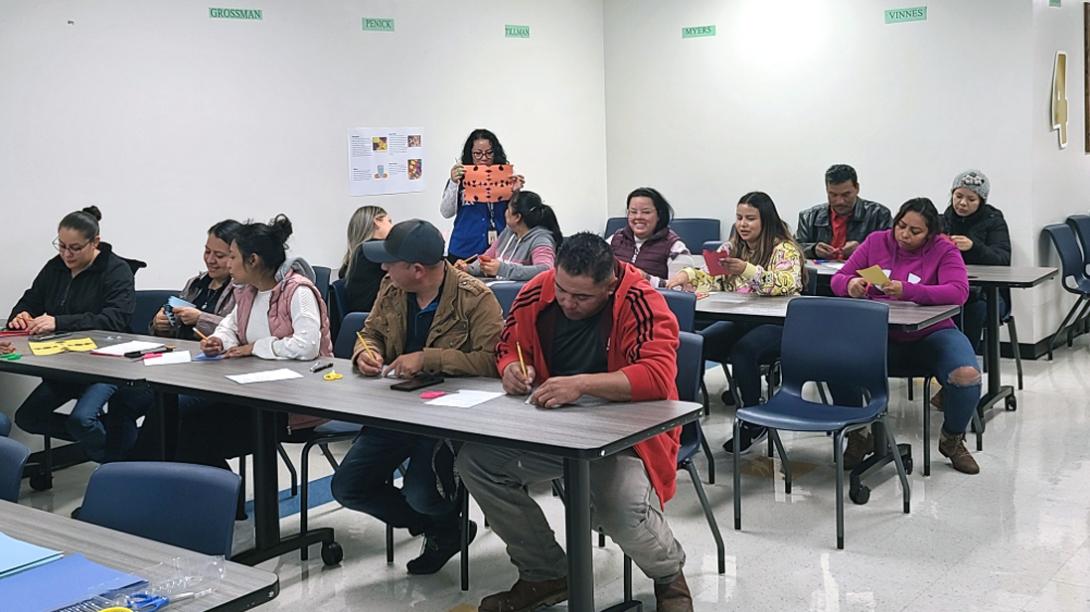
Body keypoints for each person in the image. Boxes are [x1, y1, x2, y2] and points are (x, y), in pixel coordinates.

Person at [457, 233, 692, 612]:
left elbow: (656, 377)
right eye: (563, 290)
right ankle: (546, 573)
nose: (567, 302)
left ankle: (670, 578)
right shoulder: (539, 290)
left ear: (610, 283)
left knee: (619, 507)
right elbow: (507, 344)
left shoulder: (641, 300)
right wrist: (511, 369)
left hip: (628, 433)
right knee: (477, 463)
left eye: (582, 297)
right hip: (555, 426)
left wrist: (581, 384)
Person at [330, 219, 503, 575]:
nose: (383, 268)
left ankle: (438, 520)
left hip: (448, 417)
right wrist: (366, 353)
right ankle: (444, 530)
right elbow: (370, 332)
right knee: (348, 487)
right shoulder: (392, 289)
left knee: (422, 492)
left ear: (418, 270)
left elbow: (491, 362)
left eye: (391, 262)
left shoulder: (475, 298)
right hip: (397, 409)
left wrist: (428, 359)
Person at [831, 198, 982, 475]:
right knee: (835, 362)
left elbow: (959, 292)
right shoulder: (877, 242)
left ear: (930, 233)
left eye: (915, 231)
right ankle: (858, 435)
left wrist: (911, 291)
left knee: (967, 376)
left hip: (932, 334)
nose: (904, 235)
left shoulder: (944, 249)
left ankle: (953, 439)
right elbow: (839, 278)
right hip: (880, 336)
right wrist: (850, 284)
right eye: (901, 226)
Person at [177, 214, 333, 477]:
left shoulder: (298, 291)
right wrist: (219, 341)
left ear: (253, 260)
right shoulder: (248, 290)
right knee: (182, 427)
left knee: (194, 435)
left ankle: (225, 497)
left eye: (232, 257)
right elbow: (231, 327)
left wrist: (256, 347)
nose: (228, 263)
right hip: (253, 395)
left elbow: (307, 346)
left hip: (292, 406)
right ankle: (223, 498)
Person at [666, 192, 805, 453]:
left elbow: (786, 283)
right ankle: (684, 419)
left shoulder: (784, 248)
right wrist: (688, 274)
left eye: (750, 218)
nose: (743, 224)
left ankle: (753, 418)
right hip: (740, 319)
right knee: (698, 345)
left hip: (780, 325)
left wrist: (746, 270)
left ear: (766, 220)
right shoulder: (730, 248)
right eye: (740, 217)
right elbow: (713, 277)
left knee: (745, 351)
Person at [9, 206, 139, 463]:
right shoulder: (55, 267)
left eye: (75, 248)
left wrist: (59, 322)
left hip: (108, 364)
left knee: (82, 419)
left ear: (95, 242)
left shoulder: (116, 270)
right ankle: (114, 448)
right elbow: (31, 299)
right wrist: (21, 314)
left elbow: (115, 319)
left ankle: (118, 464)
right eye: (62, 246)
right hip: (67, 362)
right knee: (28, 417)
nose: (67, 254)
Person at [941, 169, 1010, 350]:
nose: (962, 203)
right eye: (958, 196)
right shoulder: (943, 220)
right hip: (950, 288)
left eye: (971, 199)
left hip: (988, 295)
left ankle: (965, 361)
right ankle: (933, 361)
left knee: (973, 308)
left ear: (981, 201)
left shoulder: (994, 221)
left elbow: (1003, 259)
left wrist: (974, 247)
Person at [440, 129, 525, 261]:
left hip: (499, 249)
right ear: (470, 154)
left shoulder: (505, 175)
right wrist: (453, 182)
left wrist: (516, 193)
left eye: (489, 153)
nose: (484, 158)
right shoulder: (460, 177)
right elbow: (446, 212)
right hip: (464, 249)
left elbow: (516, 215)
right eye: (478, 154)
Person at [150, 220, 242, 340]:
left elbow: (241, 332)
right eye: (207, 251)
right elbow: (174, 331)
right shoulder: (195, 284)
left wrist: (201, 319)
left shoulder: (242, 290)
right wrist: (161, 325)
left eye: (219, 256)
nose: (210, 260)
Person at [455, 190, 562, 281]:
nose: (505, 212)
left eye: (508, 209)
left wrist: (502, 269)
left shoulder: (541, 239)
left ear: (517, 217)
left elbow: (546, 270)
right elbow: (487, 258)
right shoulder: (508, 232)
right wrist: (468, 269)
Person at [796, 164, 891, 260]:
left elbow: (892, 250)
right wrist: (812, 249)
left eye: (846, 195)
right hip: (818, 274)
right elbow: (793, 249)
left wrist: (862, 248)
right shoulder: (808, 217)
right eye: (833, 195)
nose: (839, 201)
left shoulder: (879, 215)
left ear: (857, 188)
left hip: (859, 274)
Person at [607, 187, 691, 288]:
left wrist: (645, 278)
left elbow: (677, 290)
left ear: (659, 215)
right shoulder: (614, 239)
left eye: (646, 212)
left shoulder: (675, 247)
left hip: (652, 301)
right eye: (633, 212)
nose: (638, 217)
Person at [338, 205, 394, 313]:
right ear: (377, 221)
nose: (393, 227)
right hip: (375, 318)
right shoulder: (373, 251)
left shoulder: (356, 256)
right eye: (389, 221)